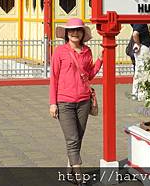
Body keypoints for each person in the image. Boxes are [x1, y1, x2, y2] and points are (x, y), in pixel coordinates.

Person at [49, 18, 103, 182]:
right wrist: (53, 103)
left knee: (78, 138)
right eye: (71, 30)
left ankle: (69, 170)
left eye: (78, 30)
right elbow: (54, 78)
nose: (75, 33)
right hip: (64, 102)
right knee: (72, 139)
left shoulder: (87, 52)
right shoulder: (59, 51)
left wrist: (101, 59)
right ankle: (79, 176)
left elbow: (90, 75)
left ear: (82, 33)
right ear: (66, 33)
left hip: (83, 101)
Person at [130, 24, 150, 100]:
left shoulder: (137, 22)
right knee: (143, 70)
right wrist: (138, 43)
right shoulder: (140, 22)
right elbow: (135, 34)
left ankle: (135, 92)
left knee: (138, 70)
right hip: (143, 48)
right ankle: (141, 94)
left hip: (142, 47)